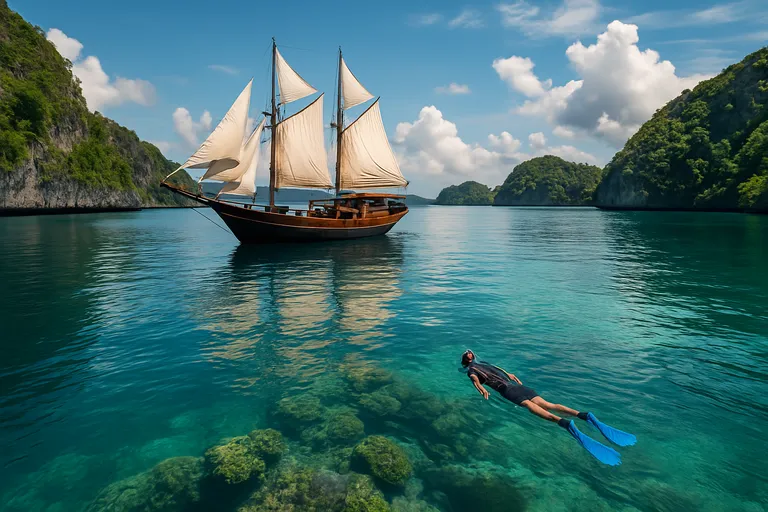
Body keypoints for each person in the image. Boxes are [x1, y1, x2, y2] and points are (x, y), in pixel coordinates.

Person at [460, 349, 636, 466]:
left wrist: (481, 388)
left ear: (466, 363)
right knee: (549, 404)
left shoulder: (471, 370)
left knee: (533, 408)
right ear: (473, 357)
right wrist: (509, 374)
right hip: (520, 387)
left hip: (508, 391)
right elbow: (500, 369)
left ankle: (566, 424)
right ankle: (583, 415)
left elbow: (475, 380)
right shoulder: (484, 363)